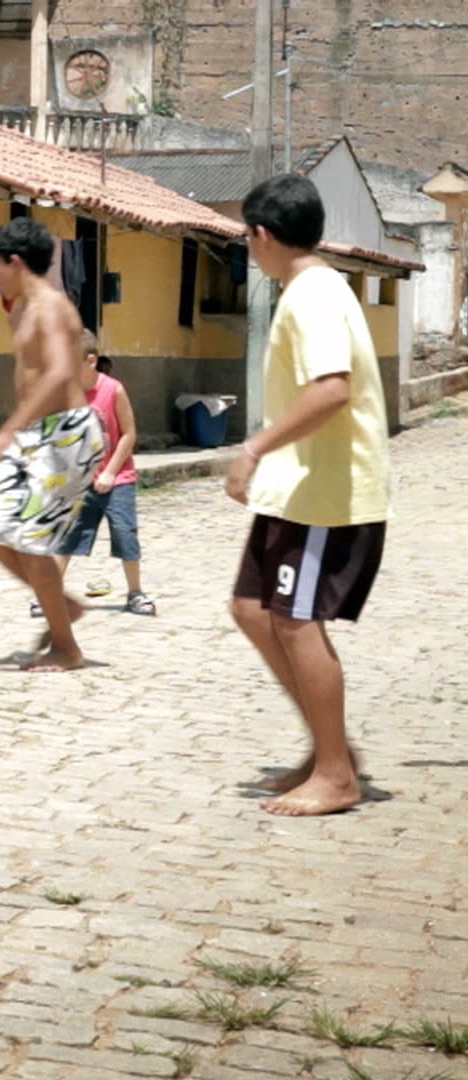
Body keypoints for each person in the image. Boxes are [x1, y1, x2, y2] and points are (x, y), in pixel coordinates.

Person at [225, 173, 390, 817]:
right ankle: (333, 750)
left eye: (246, 236)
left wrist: (253, 446)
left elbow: (331, 389)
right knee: (250, 608)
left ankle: (336, 776)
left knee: (295, 620)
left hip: (326, 491)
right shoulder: (310, 289)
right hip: (294, 490)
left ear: (262, 235)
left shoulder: (313, 294)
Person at [0, 217, 104, 672]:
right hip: (34, 435)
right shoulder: (19, 309)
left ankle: (66, 648)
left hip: (66, 433)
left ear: (15, 261)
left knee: (31, 540)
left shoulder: (54, 308)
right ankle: (62, 607)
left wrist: (7, 429)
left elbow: (58, 374)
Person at [50, 331, 155, 616]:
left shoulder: (113, 390)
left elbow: (129, 434)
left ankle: (135, 592)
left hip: (118, 478)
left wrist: (109, 472)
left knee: (125, 534)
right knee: (67, 535)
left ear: (91, 361)